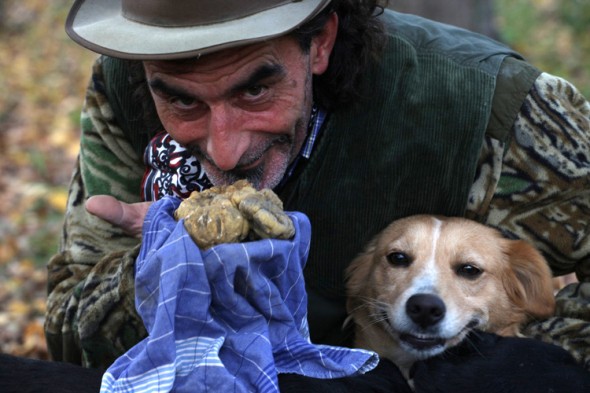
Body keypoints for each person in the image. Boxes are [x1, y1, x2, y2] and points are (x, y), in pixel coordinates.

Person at [45, 0, 590, 390]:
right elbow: (70, 334)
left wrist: (509, 365)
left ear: (322, 41)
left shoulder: (491, 106)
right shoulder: (125, 84)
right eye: (183, 103)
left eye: (255, 88)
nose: (226, 150)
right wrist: (160, 274)